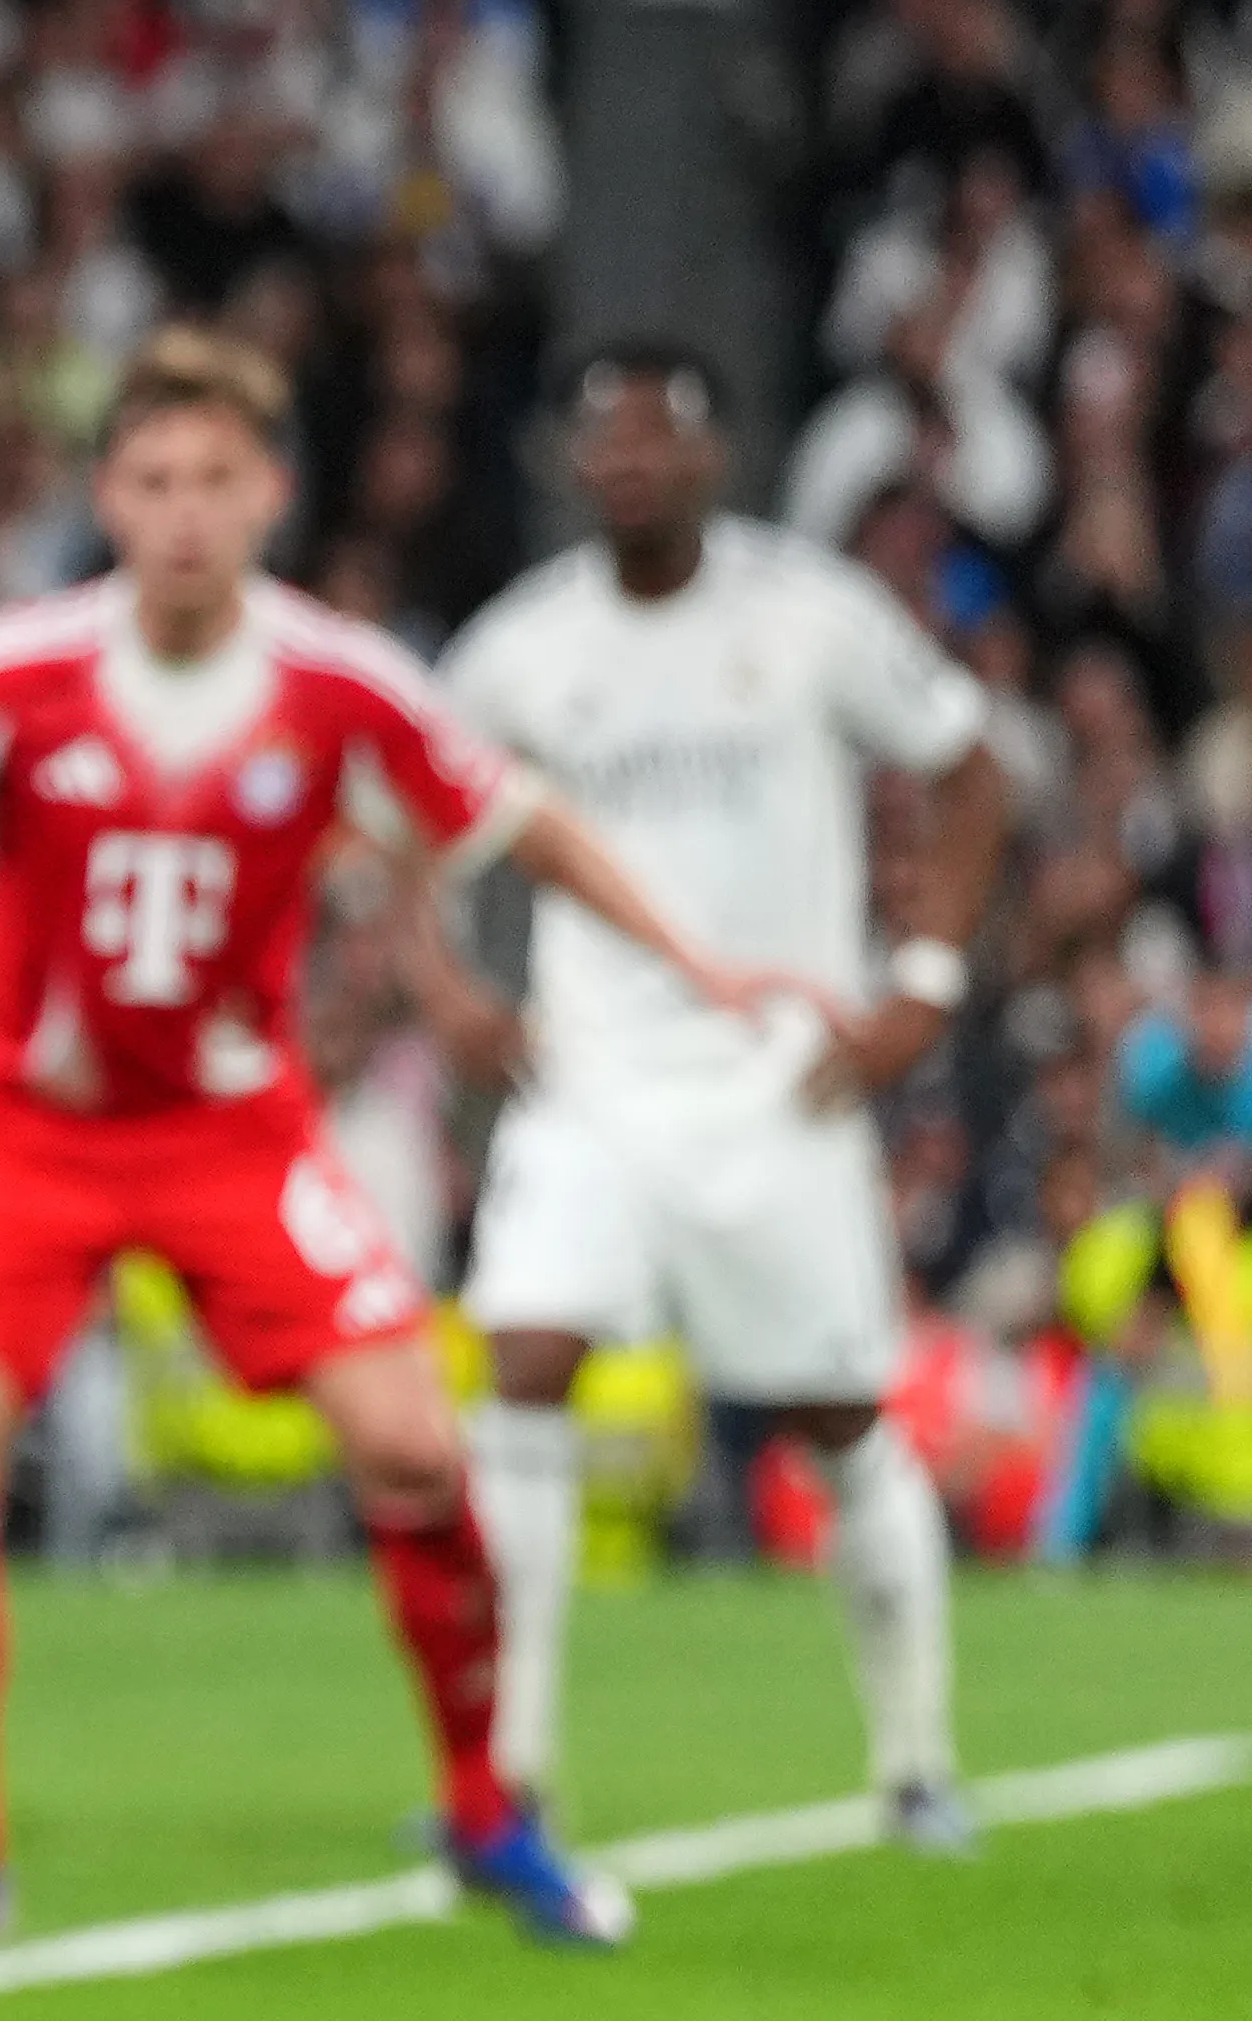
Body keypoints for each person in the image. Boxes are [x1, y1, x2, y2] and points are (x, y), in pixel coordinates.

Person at [0, 329, 790, 1965]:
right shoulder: (18, 665)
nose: (183, 513)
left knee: (410, 1444)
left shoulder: (339, 681)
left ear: (268, 493)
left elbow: (519, 818)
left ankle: (486, 1809)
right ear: (105, 494)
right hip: (28, 1132)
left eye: (215, 481)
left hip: (231, 1131)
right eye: (153, 480)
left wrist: (694, 959)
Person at [415, 343, 1012, 1852]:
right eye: (596, 436)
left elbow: (968, 766)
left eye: (652, 434)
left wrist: (922, 983)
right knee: (523, 1360)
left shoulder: (806, 616)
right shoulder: (517, 648)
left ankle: (914, 1758)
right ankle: (509, 1770)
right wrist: (445, 994)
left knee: (836, 1410)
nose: (622, 460)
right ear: (566, 464)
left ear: (710, 459)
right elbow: (390, 809)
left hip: (775, 1084)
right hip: (589, 1077)